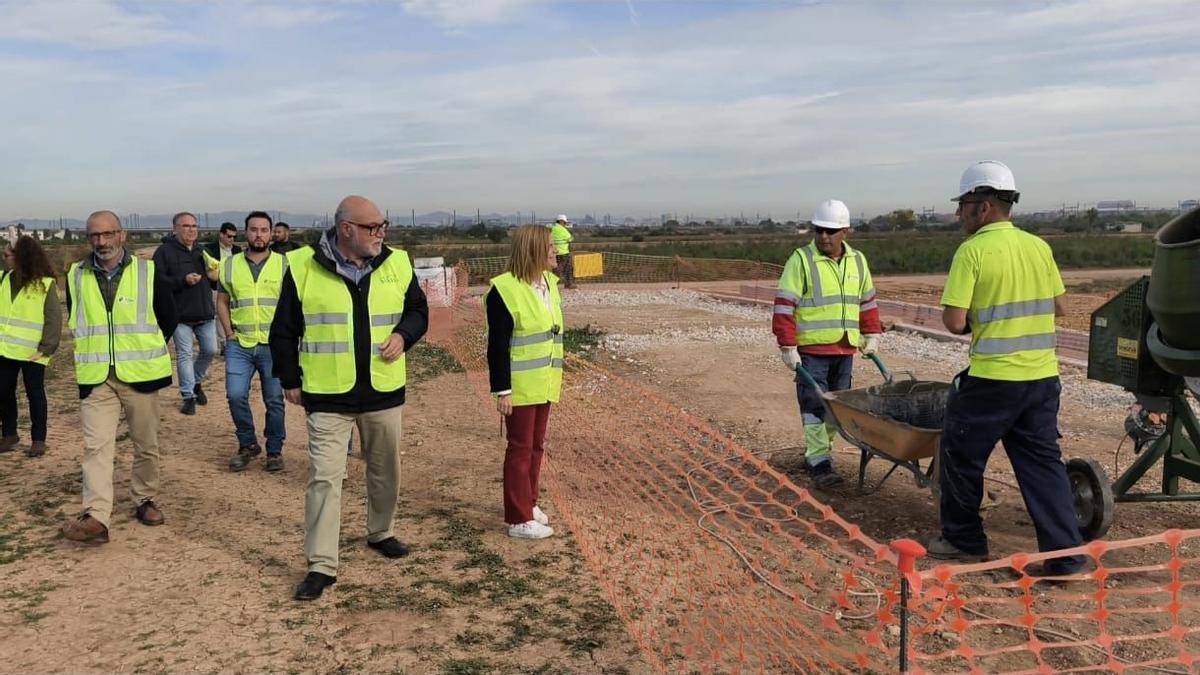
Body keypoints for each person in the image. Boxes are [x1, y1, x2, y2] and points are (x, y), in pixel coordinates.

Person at [928, 161, 1085, 576]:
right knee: (1043, 464)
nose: (960, 214)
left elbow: (954, 322)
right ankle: (1064, 556)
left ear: (983, 207)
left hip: (993, 381)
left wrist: (985, 318)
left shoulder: (973, 251)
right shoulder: (1038, 247)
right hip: (1041, 380)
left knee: (960, 456)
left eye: (964, 205)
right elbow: (1061, 307)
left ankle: (963, 540)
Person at [270, 195, 428, 601]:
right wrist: (289, 377)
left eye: (383, 225)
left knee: (385, 469)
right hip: (327, 395)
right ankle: (321, 564)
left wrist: (402, 335)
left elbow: (418, 312)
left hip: (382, 389)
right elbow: (284, 329)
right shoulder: (302, 266)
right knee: (324, 478)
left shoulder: (397, 263)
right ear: (346, 229)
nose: (382, 234)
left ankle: (381, 531)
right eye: (373, 227)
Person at [62, 211, 178, 543]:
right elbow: (80, 320)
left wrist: (144, 349)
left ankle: (144, 499)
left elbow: (167, 318)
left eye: (108, 234)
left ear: (122, 235)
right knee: (96, 447)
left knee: (146, 443)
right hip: (96, 377)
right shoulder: (76, 275)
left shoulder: (148, 272)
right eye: (94, 236)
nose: (101, 242)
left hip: (139, 375)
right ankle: (96, 517)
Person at [773, 199, 882, 489]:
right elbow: (784, 306)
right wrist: (788, 346)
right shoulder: (802, 260)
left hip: (845, 347)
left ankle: (824, 450)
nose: (823, 236)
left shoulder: (858, 261)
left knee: (839, 407)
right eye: (819, 230)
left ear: (845, 231)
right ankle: (818, 460)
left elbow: (867, 302)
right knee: (814, 406)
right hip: (812, 352)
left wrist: (871, 335)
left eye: (830, 231)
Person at [486, 224, 564, 539]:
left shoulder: (549, 283)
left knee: (536, 446)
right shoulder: (503, 290)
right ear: (533, 250)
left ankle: (529, 503)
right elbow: (498, 345)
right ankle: (517, 519)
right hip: (519, 386)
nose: (556, 251)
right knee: (519, 448)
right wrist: (503, 391)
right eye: (550, 246)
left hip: (545, 381)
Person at [218, 211, 287, 473]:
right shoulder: (231, 264)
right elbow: (222, 301)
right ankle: (247, 444)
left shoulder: (283, 264)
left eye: (264, 230)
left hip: (273, 345)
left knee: (274, 399)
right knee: (235, 395)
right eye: (254, 229)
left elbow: (291, 305)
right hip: (240, 343)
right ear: (246, 232)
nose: (259, 234)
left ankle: (274, 450)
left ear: (271, 233)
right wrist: (229, 334)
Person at [0, 236, 62, 457]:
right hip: (5, 350)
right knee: (4, 392)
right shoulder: (2, 280)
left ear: (21, 258)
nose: (4, 257)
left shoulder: (44, 285)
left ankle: (38, 440)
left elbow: (53, 319)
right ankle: (9, 434)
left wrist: (46, 348)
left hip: (33, 352)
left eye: (7, 254)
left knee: (34, 394)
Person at [152, 211, 217, 415]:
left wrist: (214, 277)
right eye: (186, 226)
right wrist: (182, 281)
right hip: (179, 315)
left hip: (205, 311)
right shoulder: (164, 252)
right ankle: (188, 395)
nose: (191, 230)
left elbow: (214, 280)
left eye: (194, 226)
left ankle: (196, 382)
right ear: (175, 229)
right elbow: (157, 282)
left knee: (210, 350)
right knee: (185, 354)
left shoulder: (202, 251)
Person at [204, 222, 242, 355]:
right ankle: (224, 343)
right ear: (221, 234)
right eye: (229, 236)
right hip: (215, 287)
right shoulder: (209, 249)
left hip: (233, 288)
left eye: (234, 237)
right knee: (220, 315)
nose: (232, 239)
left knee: (233, 314)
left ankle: (234, 340)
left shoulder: (237, 251)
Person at [550, 214, 575, 289]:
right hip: (564, 252)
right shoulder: (562, 230)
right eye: (564, 222)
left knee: (556, 268)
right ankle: (568, 284)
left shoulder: (553, 229)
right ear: (561, 221)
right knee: (567, 268)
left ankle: (552, 284)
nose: (565, 224)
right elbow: (570, 238)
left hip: (555, 252)